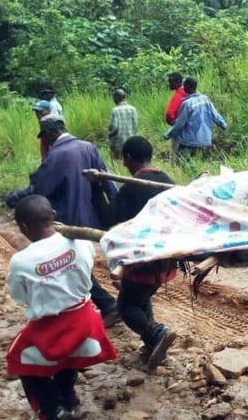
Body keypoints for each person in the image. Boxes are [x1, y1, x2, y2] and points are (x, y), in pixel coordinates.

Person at [6, 195, 117, 420]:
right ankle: (69, 399)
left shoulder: (20, 261)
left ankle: (51, 410)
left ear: (24, 227)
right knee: (68, 356)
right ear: (54, 216)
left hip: (52, 328)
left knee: (17, 357)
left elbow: (19, 297)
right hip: (86, 322)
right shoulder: (82, 243)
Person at [5, 114, 121, 327]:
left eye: (44, 137)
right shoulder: (88, 147)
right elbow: (106, 180)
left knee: (69, 263)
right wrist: (117, 209)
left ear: (50, 133)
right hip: (90, 217)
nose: (45, 142)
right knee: (76, 261)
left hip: (64, 221)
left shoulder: (55, 156)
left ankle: (105, 306)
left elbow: (39, 190)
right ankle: (108, 305)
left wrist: (13, 198)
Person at [88, 136, 179, 368]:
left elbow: (110, 219)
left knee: (126, 307)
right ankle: (152, 345)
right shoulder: (165, 180)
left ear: (128, 157)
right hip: (165, 259)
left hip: (141, 260)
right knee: (140, 297)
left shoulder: (132, 187)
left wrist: (97, 190)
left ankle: (157, 333)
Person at [163, 77, 227, 162]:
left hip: (189, 140)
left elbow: (179, 124)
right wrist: (224, 126)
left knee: (182, 163)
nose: (183, 87)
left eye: (184, 85)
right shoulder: (205, 99)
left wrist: (168, 135)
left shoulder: (187, 104)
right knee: (196, 162)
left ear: (189, 86)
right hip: (205, 139)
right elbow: (216, 116)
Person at [108, 89, 138, 162]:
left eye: (114, 97)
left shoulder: (115, 110)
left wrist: (110, 137)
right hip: (131, 142)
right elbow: (135, 126)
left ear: (117, 97)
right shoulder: (133, 109)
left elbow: (114, 127)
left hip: (118, 143)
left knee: (117, 164)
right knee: (129, 163)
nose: (113, 100)